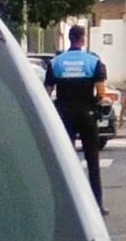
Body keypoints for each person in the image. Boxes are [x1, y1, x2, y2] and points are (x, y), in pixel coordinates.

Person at [45, 25, 109, 215]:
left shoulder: (56, 62)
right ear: (82, 39)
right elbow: (101, 92)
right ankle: (97, 204)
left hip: (64, 113)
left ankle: (66, 204)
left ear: (69, 38)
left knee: (65, 159)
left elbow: (47, 91)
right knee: (92, 160)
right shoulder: (93, 62)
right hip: (86, 113)